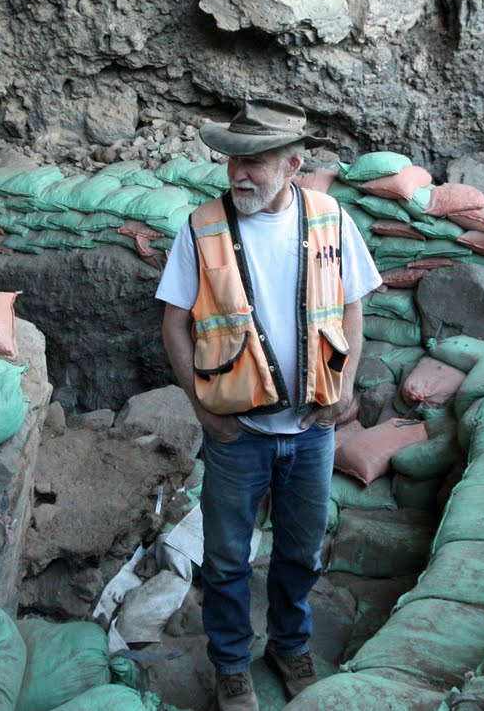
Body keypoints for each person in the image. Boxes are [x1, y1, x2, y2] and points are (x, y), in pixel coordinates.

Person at [156, 99, 381, 711]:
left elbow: (353, 306)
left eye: (254, 161)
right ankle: (230, 664)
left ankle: (290, 645)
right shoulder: (202, 228)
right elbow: (175, 323)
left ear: (293, 164)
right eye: (232, 161)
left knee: (301, 550)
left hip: (311, 429)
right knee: (228, 558)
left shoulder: (331, 218)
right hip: (239, 432)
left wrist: (346, 385)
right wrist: (202, 408)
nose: (238, 174)